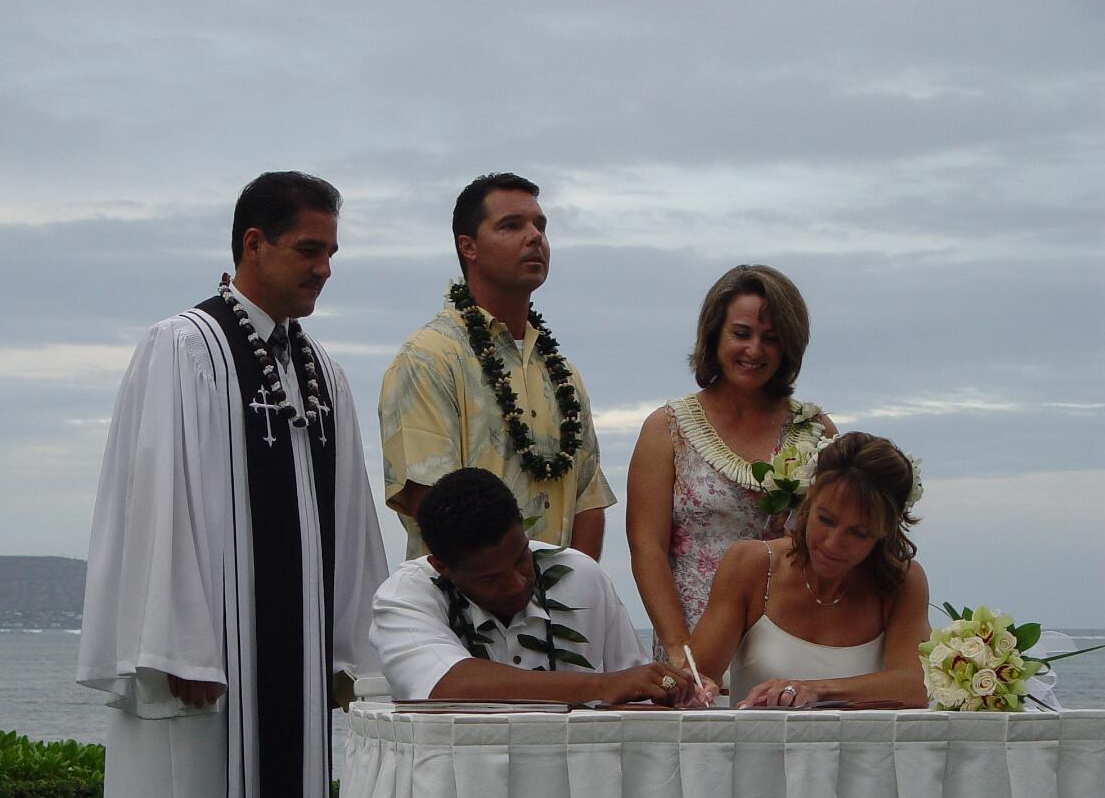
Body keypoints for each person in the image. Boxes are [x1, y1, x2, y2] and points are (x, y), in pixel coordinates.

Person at [74, 171, 386, 798]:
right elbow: (157, 494)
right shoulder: (184, 348)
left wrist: (347, 649)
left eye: (332, 252)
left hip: (288, 673)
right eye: (309, 249)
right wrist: (180, 642)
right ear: (253, 242)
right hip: (210, 670)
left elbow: (348, 515)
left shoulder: (320, 371)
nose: (324, 268)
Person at [379, 173, 614, 562]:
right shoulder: (428, 357)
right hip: (466, 593)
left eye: (540, 226)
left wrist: (572, 589)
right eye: (511, 226)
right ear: (468, 247)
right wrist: (512, 585)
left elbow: (588, 500)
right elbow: (435, 504)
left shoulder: (563, 374)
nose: (534, 237)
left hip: (560, 597)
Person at [626, 263, 835, 666]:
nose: (754, 350)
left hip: (790, 648)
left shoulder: (815, 431)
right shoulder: (667, 429)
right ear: (714, 335)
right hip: (695, 645)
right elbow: (647, 548)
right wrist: (680, 650)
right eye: (741, 334)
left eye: (770, 338)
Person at [371, 467, 702, 705]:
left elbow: (634, 690)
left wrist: (672, 690)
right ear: (441, 567)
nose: (516, 584)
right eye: (490, 578)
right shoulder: (405, 596)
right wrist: (601, 686)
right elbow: (447, 685)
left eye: (520, 558)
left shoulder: (580, 575)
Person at [687, 432, 929, 708]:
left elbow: (914, 686)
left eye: (858, 533)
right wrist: (691, 688)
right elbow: (697, 679)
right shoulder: (750, 566)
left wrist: (816, 691)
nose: (833, 543)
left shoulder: (902, 583)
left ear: (885, 531)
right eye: (826, 519)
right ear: (810, 497)